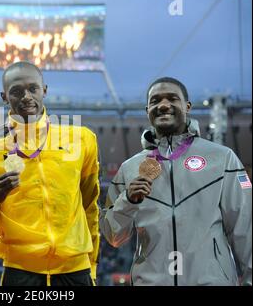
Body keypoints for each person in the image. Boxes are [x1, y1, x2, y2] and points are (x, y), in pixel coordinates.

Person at [103, 77, 252, 286]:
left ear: (187, 106)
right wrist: (128, 201)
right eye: (155, 101)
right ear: (147, 110)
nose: (163, 105)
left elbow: (246, 227)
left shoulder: (223, 159)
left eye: (172, 98)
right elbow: (113, 236)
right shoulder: (129, 169)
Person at [0, 61, 101, 286]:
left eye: (33, 89)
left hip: (76, 271)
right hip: (19, 273)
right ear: (4, 97)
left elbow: (90, 208)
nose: (26, 96)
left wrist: (92, 266)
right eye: (16, 91)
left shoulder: (82, 140)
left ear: (45, 90)